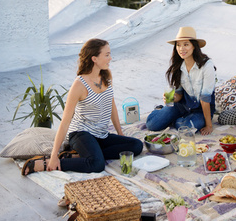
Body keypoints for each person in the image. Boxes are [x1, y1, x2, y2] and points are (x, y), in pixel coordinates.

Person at [21, 38, 143, 176]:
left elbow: (112, 105)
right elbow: (65, 121)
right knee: (97, 165)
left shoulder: (105, 76)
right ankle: (48, 163)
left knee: (136, 146)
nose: (111, 58)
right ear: (94, 58)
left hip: (101, 134)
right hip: (81, 134)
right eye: (107, 54)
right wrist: (54, 155)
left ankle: (81, 156)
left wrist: (121, 135)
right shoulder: (79, 85)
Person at [146, 26, 216, 135]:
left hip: (201, 110)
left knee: (185, 129)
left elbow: (205, 99)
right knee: (152, 124)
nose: (181, 48)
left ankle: (176, 119)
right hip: (182, 106)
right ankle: (159, 110)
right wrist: (171, 97)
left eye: (186, 44)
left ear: (194, 46)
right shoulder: (178, 66)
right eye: (178, 45)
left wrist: (209, 126)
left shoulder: (207, 66)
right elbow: (179, 95)